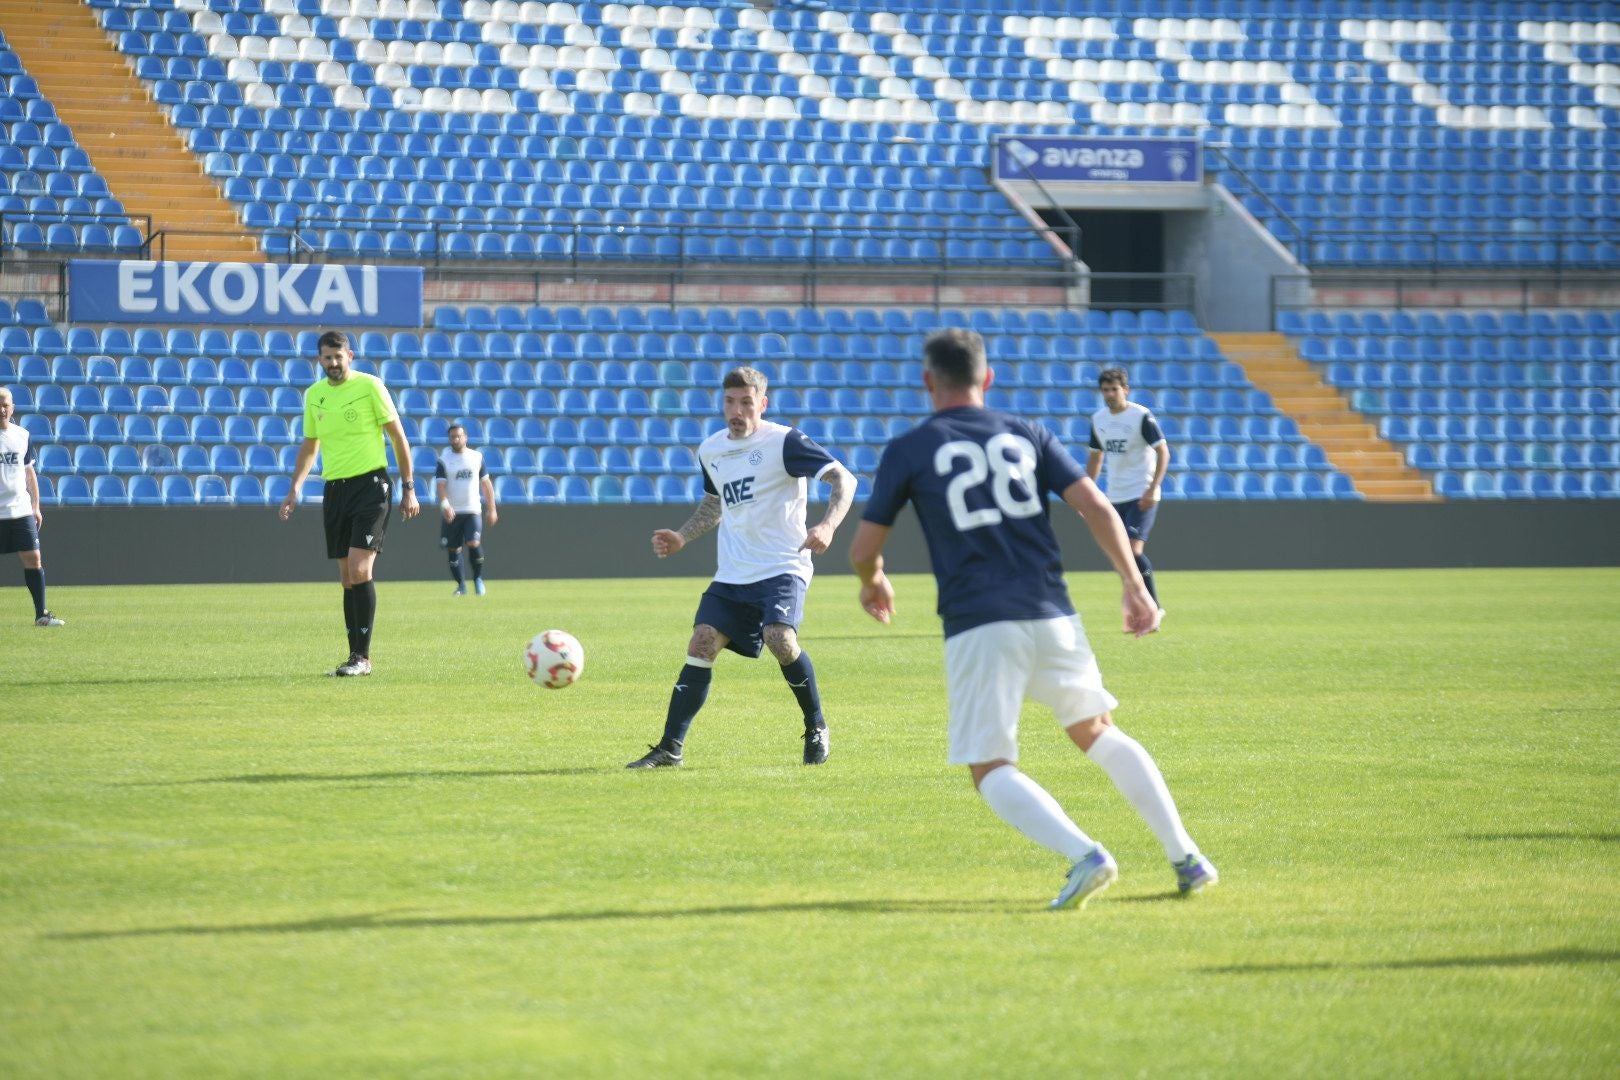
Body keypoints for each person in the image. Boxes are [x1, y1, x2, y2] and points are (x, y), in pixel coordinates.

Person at [849, 329, 1215, 910]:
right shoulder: (1027, 432)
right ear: (987, 379)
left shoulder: (910, 449)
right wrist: (1131, 584)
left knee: (989, 764)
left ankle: (1085, 854)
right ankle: (1187, 856)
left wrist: (874, 582)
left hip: (978, 620)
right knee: (1096, 729)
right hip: (1053, 611)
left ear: (927, 382)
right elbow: (1095, 505)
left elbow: (864, 548)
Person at [627, 366, 856, 769]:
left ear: (762, 404)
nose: (737, 410)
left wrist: (828, 525)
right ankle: (670, 748)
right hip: (734, 572)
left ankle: (816, 725)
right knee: (700, 643)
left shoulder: (784, 441)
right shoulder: (712, 450)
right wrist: (683, 535)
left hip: (783, 564)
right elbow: (716, 502)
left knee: (779, 638)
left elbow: (844, 478)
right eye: (730, 401)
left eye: (746, 402)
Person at [278, 330, 419, 676]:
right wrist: (295, 487)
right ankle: (354, 656)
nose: (334, 363)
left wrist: (409, 487)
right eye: (327, 357)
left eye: (339, 357)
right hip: (335, 491)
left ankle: (363, 659)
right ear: (319, 360)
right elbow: (310, 445)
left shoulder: (370, 387)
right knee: (346, 577)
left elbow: (398, 437)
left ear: (350, 357)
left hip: (371, 486)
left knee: (360, 569)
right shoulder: (314, 396)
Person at [1086, 366, 1170, 615]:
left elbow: (1163, 451)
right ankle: (1137, 605)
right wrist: (1088, 496)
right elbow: (1095, 459)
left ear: (1125, 390)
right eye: (1105, 390)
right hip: (1115, 496)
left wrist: (1153, 488)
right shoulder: (1098, 419)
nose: (1110, 394)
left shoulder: (1141, 416)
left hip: (1141, 493)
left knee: (1133, 550)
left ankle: (1154, 605)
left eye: (1114, 389)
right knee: (1120, 556)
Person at [0, 387, 64, 627]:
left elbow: (29, 473)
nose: (2, 409)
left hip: (20, 509)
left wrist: (35, 506)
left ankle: (41, 615)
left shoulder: (22, 435)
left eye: (5, 404)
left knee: (33, 558)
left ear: (12, 408)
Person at [435, 422, 498, 596]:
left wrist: (491, 508)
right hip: (452, 511)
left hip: (472, 509)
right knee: (453, 549)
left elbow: (486, 484)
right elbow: (440, 486)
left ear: (465, 437)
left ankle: (478, 578)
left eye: (458, 436)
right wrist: (445, 505)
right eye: (452, 436)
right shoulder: (444, 460)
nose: (455, 439)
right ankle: (461, 585)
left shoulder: (476, 457)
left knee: (473, 543)